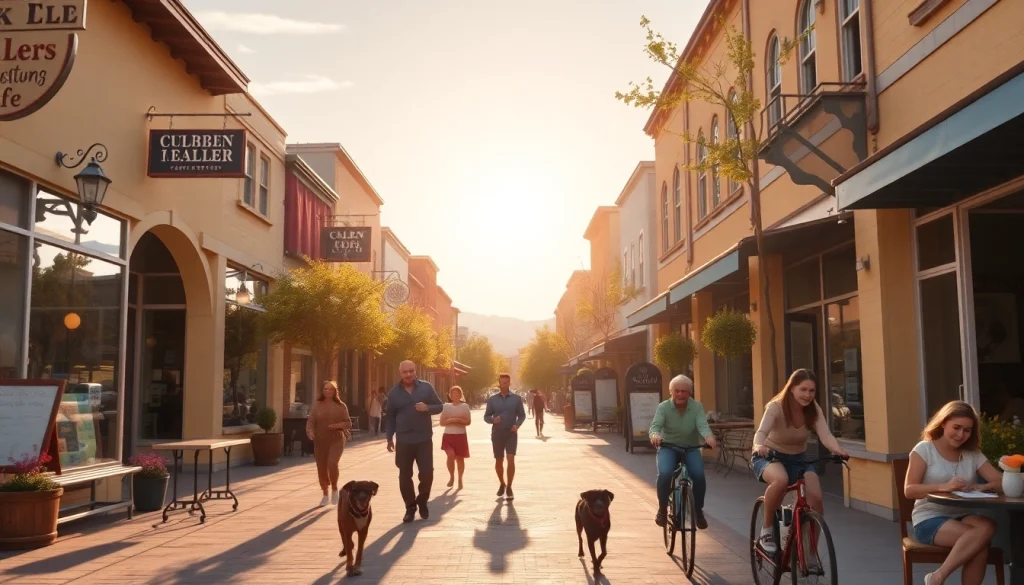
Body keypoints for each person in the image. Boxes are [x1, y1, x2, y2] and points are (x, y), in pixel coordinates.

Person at [750, 369, 849, 554]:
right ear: (792, 388)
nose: (807, 395)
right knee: (781, 480)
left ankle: (810, 552)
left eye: (812, 391)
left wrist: (838, 450)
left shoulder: (813, 409)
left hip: (799, 459)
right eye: (803, 389)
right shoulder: (776, 407)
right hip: (769, 456)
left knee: (816, 500)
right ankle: (767, 530)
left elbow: (826, 434)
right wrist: (758, 446)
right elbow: (762, 432)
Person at [904, 401, 1003, 585]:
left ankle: (937, 577)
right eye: (956, 428)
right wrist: (943, 486)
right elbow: (909, 490)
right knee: (980, 544)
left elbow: (999, 481)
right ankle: (937, 578)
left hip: (962, 514)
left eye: (967, 430)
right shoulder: (924, 450)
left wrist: (981, 487)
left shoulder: (972, 454)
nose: (960, 435)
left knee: (988, 526)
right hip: (929, 518)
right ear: (943, 423)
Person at [649, 375, 718, 529]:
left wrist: (708, 437)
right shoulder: (663, 407)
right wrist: (655, 436)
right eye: (677, 391)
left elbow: (702, 425)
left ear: (690, 393)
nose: (680, 394)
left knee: (699, 475)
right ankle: (662, 509)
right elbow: (655, 426)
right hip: (668, 447)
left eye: (684, 391)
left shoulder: (697, 407)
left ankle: (698, 510)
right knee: (665, 473)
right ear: (671, 392)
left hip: (691, 448)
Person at [386, 360, 443, 523]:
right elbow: (389, 416)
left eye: (411, 371)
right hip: (403, 440)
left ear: (415, 371)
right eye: (405, 372)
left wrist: (428, 408)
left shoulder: (426, 387)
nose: (408, 374)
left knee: (427, 473)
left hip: (424, 439)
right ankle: (410, 508)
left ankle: (422, 500)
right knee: (404, 475)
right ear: (400, 373)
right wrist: (389, 437)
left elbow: (439, 406)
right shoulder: (394, 393)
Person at [306, 380, 352, 507]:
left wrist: (337, 426)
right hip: (320, 441)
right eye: (325, 389)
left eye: (330, 389)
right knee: (321, 467)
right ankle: (325, 494)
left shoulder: (341, 406)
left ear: (335, 391)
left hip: (336, 439)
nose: (327, 391)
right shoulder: (318, 405)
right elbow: (311, 421)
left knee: (332, 463)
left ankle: (335, 489)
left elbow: (348, 423)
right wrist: (310, 431)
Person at [484, 373, 526, 500]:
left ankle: (509, 487)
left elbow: (522, 415)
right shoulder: (492, 399)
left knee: (511, 459)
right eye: (502, 382)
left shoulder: (517, 399)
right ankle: (502, 483)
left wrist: (517, 425)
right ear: (499, 383)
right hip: (497, 433)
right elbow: (486, 416)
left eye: (507, 382)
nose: (504, 385)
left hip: (511, 433)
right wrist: (492, 420)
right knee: (499, 460)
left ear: (509, 383)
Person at [440, 385, 472, 489]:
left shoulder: (465, 407)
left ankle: (460, 479)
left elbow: (468, 421)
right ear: (450, 395)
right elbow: (442, 422)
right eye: (453, 394)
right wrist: (450, 420)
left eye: (457, 394)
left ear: (460, 395)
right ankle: (452, 477)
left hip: (460, 436)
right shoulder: (446, 406)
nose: (455, 396)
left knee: (460, 459)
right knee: (450, 455)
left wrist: (459, 420)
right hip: (448, 436)